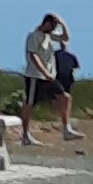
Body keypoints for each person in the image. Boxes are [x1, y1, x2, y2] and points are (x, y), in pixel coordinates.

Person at [19, 14, 71, 146]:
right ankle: (25, 136)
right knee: (30, 105)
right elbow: (33, 56)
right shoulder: (33, 36)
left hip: (49, 77)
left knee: (65, 97)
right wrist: (44, 72)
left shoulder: (49, 36)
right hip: (35, 77)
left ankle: (66, 129)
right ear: (46, 23)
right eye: (52, 25)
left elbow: (65, 38)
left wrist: (62, 22)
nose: (54, 28)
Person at [53, 36, 83, 141]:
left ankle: (65, 118)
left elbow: (76, 67)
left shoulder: (71, 56)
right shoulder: (55, 55)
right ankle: (63, 119)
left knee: (67, 97)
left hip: (68, 79)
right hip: (58, 78)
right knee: (62, 98)